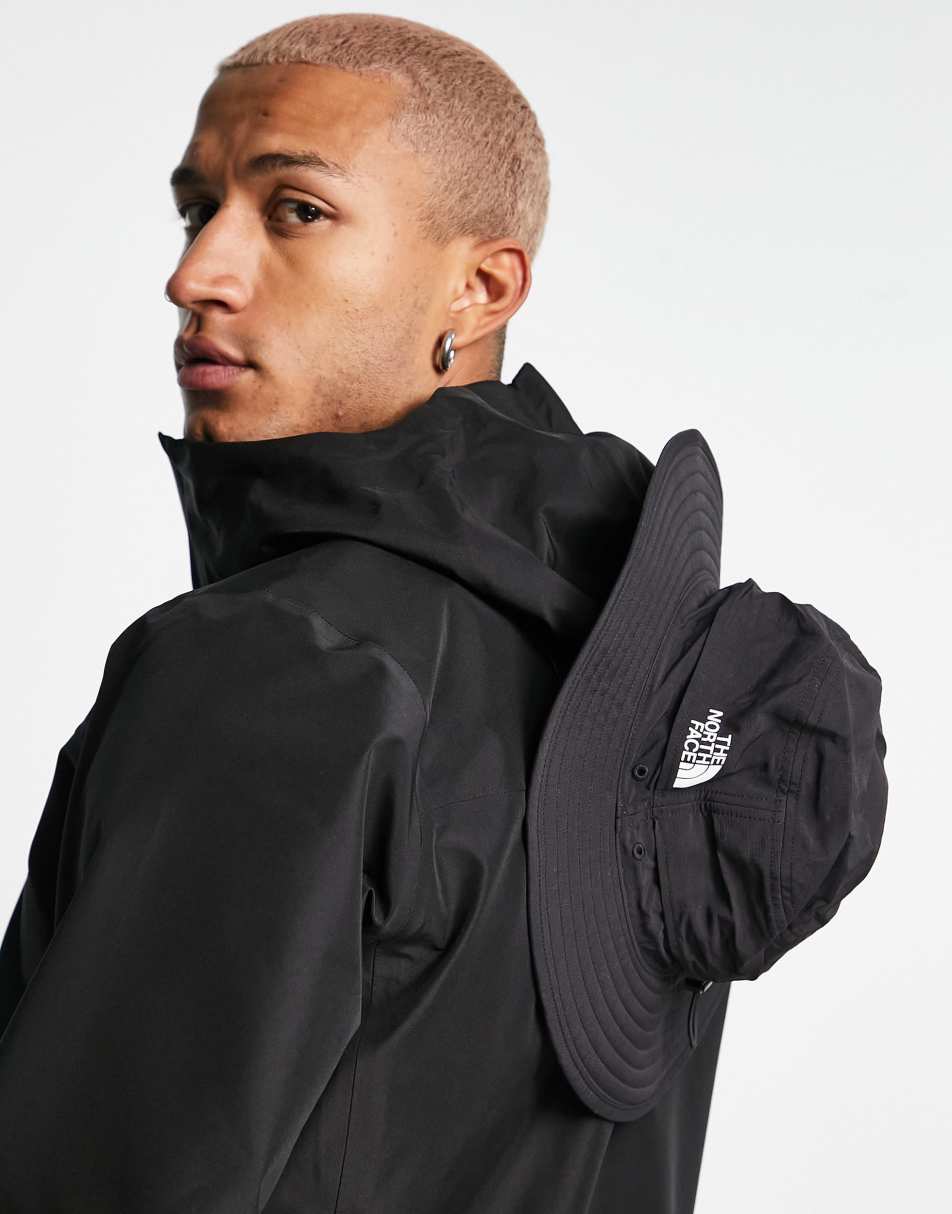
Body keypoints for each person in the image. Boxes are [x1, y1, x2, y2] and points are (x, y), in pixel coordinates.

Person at [0, 13, 886, 1213]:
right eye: (196, 210)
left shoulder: (283, 658)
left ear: (480, 284)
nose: (196, 273)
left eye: (294, 209)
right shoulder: (640, 672)